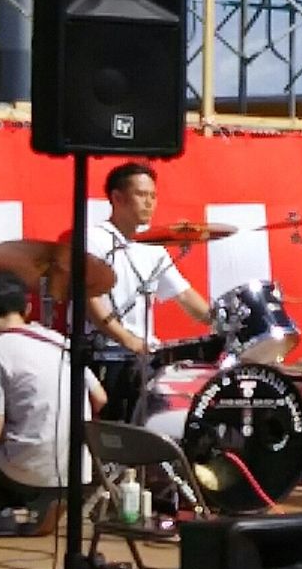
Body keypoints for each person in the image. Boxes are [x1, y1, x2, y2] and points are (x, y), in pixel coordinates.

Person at [86, 161, 212, 421]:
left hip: (146, 357)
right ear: (117, 198)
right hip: (109, 354)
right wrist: (127, 339)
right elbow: (90, 299)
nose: (149, 203)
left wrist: (223, 323)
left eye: (153, 196)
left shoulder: (153, 246)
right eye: (141, 195)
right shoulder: (94, 239)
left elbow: (183, 294)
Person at [0, 271, 106, 523]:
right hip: (75, 474)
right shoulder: (59, 342)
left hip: (25, 474)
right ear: (27, 308)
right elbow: (100, 398)